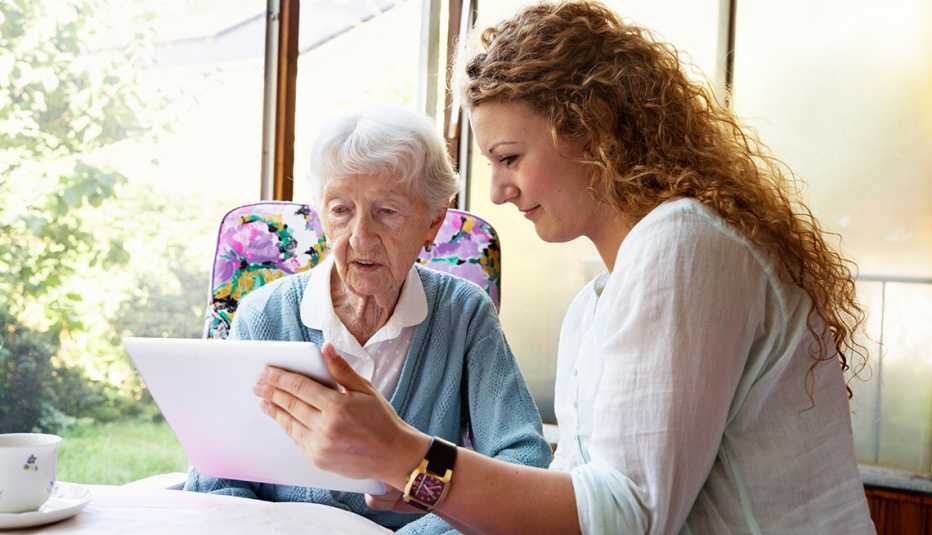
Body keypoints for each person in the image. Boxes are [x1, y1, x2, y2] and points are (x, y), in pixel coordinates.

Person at [252, 2, 876, 533]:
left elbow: (628, 516)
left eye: (509, 156)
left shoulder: (684, 245)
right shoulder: (598, 304)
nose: (495, 191)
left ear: (592, 130)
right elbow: (569, 497)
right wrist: (407, 472)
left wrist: (406, 454)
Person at [185, 106, 553, 534]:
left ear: (432, 222)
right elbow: (217, 481)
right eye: (341, 210)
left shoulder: (464, 313)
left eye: (387, 212)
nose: (360, 237)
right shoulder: (263, 315)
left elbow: (523, 459)